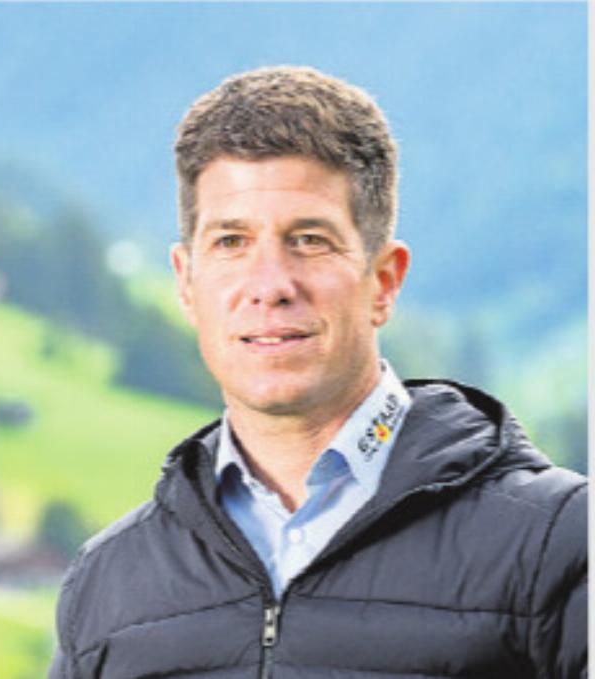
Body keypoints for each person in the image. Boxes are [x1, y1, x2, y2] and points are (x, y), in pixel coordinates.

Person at [48, 66, 586, 679]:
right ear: (186, 281)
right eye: (231, 242)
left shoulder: (560, 541)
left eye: (309, 240)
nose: (271, 285)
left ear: (383, 281)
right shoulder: (107, 585)